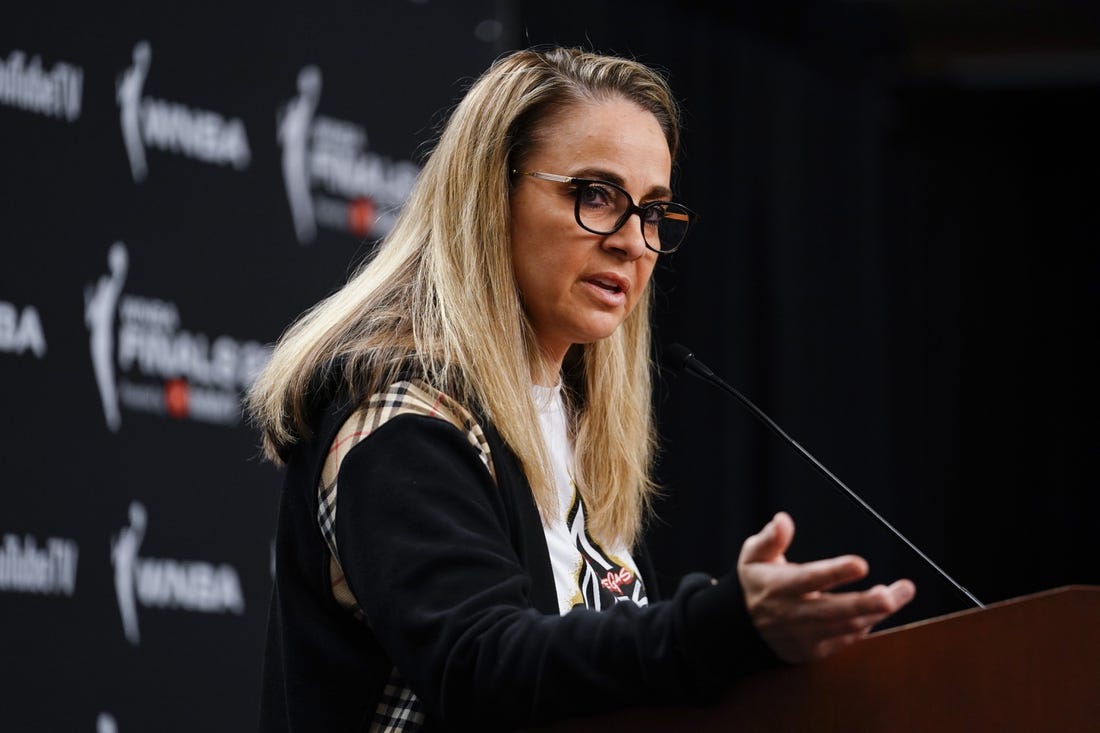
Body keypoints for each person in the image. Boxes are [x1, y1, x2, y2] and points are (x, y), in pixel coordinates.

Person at [247, 45, 916, 732]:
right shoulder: (402, 420)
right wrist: (716, 628)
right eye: (596, 195)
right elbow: (480, 665)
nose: (634, 242)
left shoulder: (573, 423)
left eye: (653, 212)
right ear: (490, 192)